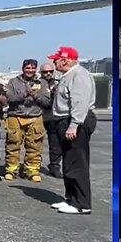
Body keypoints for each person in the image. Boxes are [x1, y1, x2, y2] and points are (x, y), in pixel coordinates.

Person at [47, 47, 97, 214]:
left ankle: (81, 204)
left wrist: (74, 124)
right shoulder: (67, 76)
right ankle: (71, 198)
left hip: (74, 120)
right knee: (69, 162)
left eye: (56, 59)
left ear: (65, 60)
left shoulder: (78, 75)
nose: (54, 62)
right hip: (65, 120)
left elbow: (80, 102)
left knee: (76, 163)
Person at [4, 59, 52, 181]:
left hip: (35, 117)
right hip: (16, 116)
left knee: (35, 146)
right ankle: (11, 169)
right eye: (27, 68)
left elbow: (47, 101)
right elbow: (9, 99)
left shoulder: (42, 83)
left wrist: (35, 95)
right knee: (13, 144)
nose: (30, 70)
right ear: (23, 68)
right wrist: (24, 95)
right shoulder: (13, 82)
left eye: (32, 68)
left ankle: (32, 170)